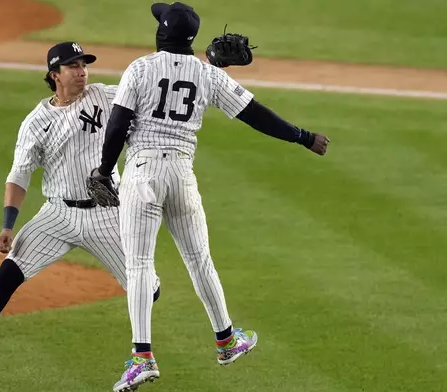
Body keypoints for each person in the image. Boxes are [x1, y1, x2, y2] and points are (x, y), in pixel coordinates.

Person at [88, 2, 330, 391]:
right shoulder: (207, 75)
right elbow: (255, 113)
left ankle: (142, 358)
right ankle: (227, 340)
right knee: (200, 260)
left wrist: (103, 169)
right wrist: (303, 137)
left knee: (138, 266)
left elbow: (117, 126)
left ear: (161, 32)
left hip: (143, 172)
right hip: (182, 175)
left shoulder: (141, 68)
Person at [0, 41, 160, 372]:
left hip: (106, 213)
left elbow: (141, 90)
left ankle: (144, 335)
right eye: (73, 66)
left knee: (148, 291)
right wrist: (9, 225)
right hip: (58, 214)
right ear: (55, 75)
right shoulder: (36, 122)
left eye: (84, 65)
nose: (82, 71)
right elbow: (18, 175)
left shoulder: (104, 95)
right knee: (10, 271)